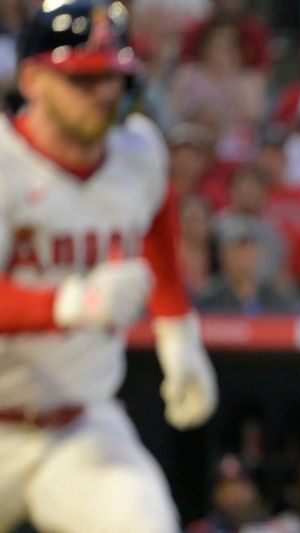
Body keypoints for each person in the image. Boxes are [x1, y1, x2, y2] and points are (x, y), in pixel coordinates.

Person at [0, 2, 218, 532]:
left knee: (144, 520)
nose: (105, 94)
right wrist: (70, 304)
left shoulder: (136, 152)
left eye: (113, 77)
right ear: (32, 79)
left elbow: (159, 227)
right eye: (85, 78)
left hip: (78, 428)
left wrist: (178, 336)